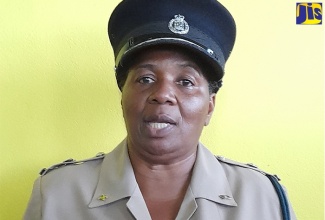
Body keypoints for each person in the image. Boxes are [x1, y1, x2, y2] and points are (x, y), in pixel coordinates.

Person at [24, 0, 297, 219]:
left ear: (210, 107)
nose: (163, 94)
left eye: (186, 82)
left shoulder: (264, 196)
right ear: (123, 99)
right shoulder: (56, 193)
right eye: (145, 79)